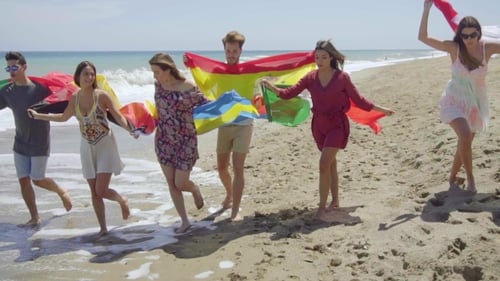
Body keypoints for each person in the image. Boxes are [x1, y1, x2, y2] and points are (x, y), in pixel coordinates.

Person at [261, 40, 394, 221]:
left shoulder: (342, 78)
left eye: (324, 57)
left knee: (323, 163)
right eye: (317, 57)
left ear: (331, 58)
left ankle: (321, 209)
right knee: (331, 164)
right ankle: (336, 201)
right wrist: (269, 86)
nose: (320, 60)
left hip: (337, 126)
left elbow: (360, 101)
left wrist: (382, 110)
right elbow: (288, 94)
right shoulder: (310, 78)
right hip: (319, 125)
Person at [28, 61, 134, 236]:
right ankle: (103, 228)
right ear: (78, 77)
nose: (89, 77)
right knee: (94, 191)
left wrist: (130, 129)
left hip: (105, 145)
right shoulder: (75, 98)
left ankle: (122, 200)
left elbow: (117, 115)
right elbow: (63, 117)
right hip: (86, 146)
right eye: (86, 74)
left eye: (92, 74)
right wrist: (39, 115)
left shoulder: (102, 96)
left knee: (101, 189)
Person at [418, 0, 500, 193]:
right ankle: (471, 180)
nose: (468, 39)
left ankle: (453, 177)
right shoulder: (454, 48)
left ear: (479, 33)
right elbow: (423, 37)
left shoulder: (486, 48)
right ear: (459, 35)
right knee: (464, 135)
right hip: (454, 100)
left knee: (465, 141)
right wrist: (426, 10)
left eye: (473, 35)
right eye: (464, 35)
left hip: (475, 103)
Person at [0, 51, 72, 226]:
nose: (11, 70)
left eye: (14, 67)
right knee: (23, 179)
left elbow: (62, 100)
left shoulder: (40, 89)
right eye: (8, 67)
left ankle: (61, 191)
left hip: (40, 141)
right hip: (20, 142)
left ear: (24, 67)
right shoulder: (7, 92)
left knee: (38, 179)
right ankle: (35, 217)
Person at [149, 53, 209, 234]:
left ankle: (195, 189)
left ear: (168, 70)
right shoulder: (158, 86)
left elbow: (207, 105)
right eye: (153, 72)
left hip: (185, 140)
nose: (155, 76)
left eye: (157, 72)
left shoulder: (187, 87)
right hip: (163, 140)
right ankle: (184, 221)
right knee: (171, 183)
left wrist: (230, 105)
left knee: (181, 183)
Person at [217, 31, 254, 221]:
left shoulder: (249, 70)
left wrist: (304, 61)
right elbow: (202, 81)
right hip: (224, 124)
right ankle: (230, 195)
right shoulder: (218, 71)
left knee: (238, 167)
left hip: (244, 125)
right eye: (228, 51)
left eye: (234, 51)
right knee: (221, 167)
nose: (230, 54)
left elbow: (277, 67)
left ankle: (235, 210)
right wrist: (189, 63)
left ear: (240, 51)